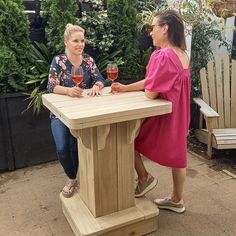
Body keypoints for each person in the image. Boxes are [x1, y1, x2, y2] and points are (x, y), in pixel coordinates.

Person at [111, 10, 190, 213]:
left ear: (165, 29)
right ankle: (177, 200)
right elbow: (156, 81)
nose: (150, 32)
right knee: (179, 156)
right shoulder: (182, 53)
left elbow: (151, 92)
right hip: (180, 115)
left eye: (152, 28)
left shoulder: (162, 55)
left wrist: (148, 91)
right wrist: (126, 87)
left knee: (128, 139)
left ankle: (144, 178)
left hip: (164, 117)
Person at [47, 24, 106, 198]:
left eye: (82, 40)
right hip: (60, 113)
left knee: (76, 148)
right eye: (75, 41)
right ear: (66, 42)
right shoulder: (58, 61)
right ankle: (72, 178)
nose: (80, 44)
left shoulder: (88, 60)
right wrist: (68, 91)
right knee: (63, 149)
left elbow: (101, 79)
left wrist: (97, 85)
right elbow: (51, 86)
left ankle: (82, 179)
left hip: (83, 113)